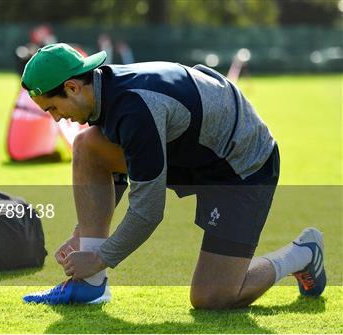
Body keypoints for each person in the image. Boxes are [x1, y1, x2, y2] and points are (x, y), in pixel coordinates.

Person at [20, 43, 326, 309]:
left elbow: (148, 212)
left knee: (212, 297)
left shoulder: (135, 107)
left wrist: (101, 257)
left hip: (242, 166)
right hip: (192, 152)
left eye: (52, 108)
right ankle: (90, 286)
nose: (56, 118)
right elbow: (116, 170)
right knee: (87, 146)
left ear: (73, 87)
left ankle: (302, 253)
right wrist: (82, 236)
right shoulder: (102, 91)